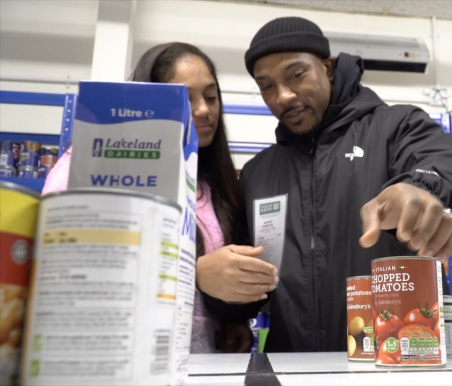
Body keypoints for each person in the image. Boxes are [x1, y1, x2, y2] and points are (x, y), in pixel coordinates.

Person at [240, 17, 452, 352]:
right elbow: (246, 281)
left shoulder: (395, 127)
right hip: (294, 370)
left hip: (397, 360)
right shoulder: (257, 173)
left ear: (327, 68)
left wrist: (424, 188)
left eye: (296, 74)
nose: (283, 95)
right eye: (267, 86)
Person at [42, 42, 277, 353]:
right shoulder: (88, 163)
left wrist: (231, 317)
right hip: (116, 354)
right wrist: (195, 275)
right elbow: (64, 262)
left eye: (210, 96)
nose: (204, 109)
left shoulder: (212, 184)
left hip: (197, 363)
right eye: (186, 98)